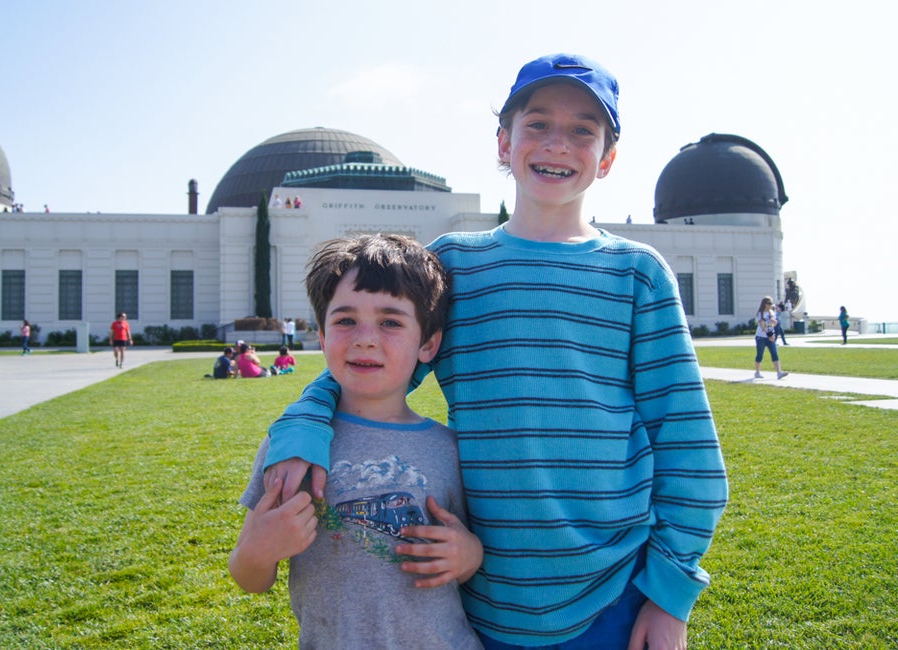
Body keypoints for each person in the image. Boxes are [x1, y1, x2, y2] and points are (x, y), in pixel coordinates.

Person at [261, 54, 729, 649]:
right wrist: (302, 428)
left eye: (583, 129)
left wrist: (670, 597)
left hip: (616, 592)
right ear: (504, 142)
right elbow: (370, 372)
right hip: (480, 596)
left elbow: (688, 448)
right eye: (537, 123)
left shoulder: (636, 274)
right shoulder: (453, 265)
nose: (557, 143)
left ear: (607, 158)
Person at [229, 234, 483, 649]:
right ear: (323, 337)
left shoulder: (450, 449)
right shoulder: (291, 451)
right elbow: (249, 577)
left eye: (391, 322)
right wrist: (259, 552)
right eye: (345, 320)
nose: (365, 338)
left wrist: (468, 555)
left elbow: (475, 553)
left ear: (428, 344)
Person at [754, 296, 789, 380]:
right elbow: (762, 325)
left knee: (774, 354)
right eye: (769, 303)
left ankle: (779, 373)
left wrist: (771, 331)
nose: (770, 305)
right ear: (764, 304)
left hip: (770, 336)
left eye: (771, 303)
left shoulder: (771, 312)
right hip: (761, 337)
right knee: (760, 355)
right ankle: (757, 372)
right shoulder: (760, 313)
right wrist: (769, 333)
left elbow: (774, 323)